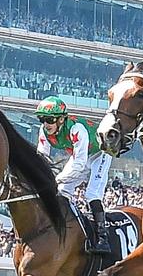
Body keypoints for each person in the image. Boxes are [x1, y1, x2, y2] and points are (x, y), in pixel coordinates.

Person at [35, 96, 112, 254]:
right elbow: (42, 158)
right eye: (41, 119)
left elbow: (79, 165)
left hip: (100, 153)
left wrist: (55, 179)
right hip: (79, 156)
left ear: (62, 119)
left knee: (92, 194)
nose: (45, 124)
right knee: (62, 191)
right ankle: (64, 230)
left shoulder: (77, 129)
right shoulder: (43, 131)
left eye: (49, 119)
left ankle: (103, 239)